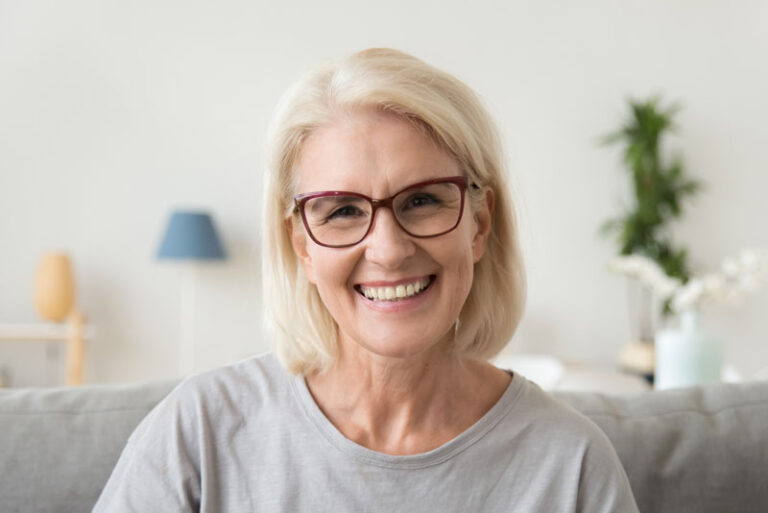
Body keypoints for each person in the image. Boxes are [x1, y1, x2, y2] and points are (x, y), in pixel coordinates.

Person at [93, 48, 639, 512]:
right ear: (301, 245)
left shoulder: (571, 465)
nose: (389, 250)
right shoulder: (199, 433)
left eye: (422, 201)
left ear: (479, 225)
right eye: (343, 211)